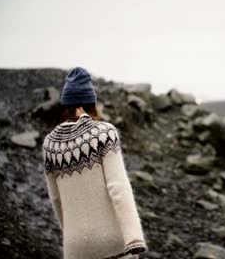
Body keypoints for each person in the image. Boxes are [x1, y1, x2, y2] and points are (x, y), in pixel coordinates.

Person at [41, 67, 147, 259]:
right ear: (88, 105)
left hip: (75, 249)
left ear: (66, 105)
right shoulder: (104, 133)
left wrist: (73, 235)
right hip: (112, 245)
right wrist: (134, 238)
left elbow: (56, 199)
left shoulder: (49, 144)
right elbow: (118, 187)